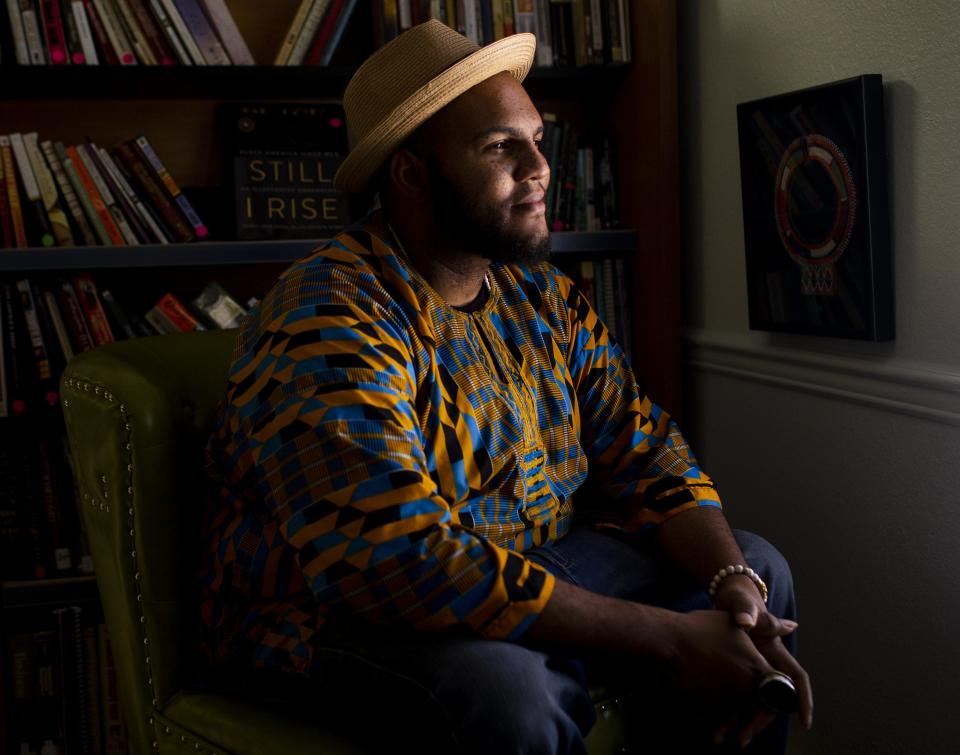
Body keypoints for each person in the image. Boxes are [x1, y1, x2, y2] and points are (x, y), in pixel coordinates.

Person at [199, 20, 813, 755]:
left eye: (535, 138)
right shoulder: (329, 314)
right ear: (412, 173)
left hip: (533, 562)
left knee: (759, 566)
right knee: (513, 696)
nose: (540, 166)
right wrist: (667, 636)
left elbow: (646, 451)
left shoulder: (544, 300)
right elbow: (401, 561)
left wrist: (731, 580)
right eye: (500, 146)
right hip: (335, 616)